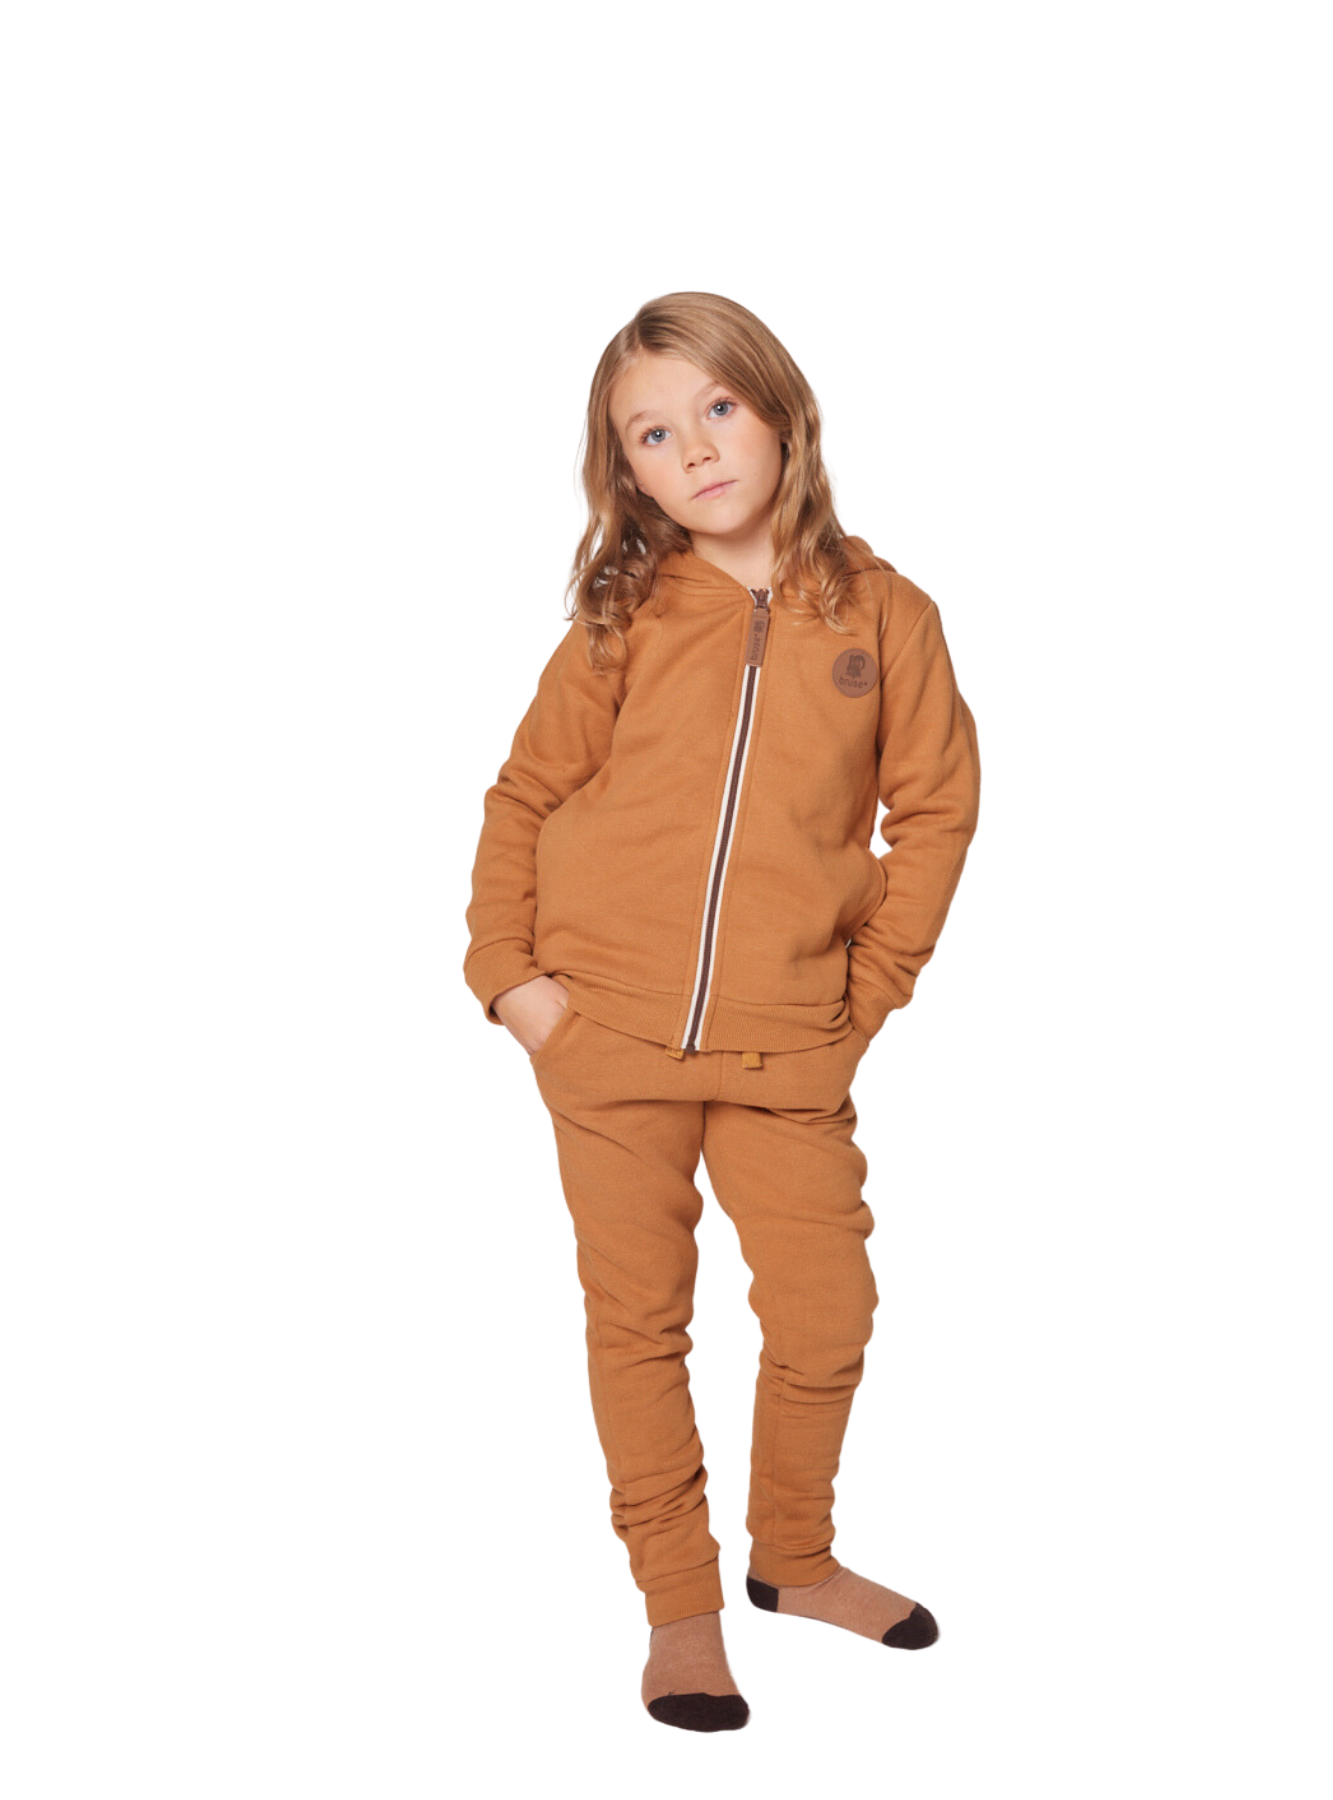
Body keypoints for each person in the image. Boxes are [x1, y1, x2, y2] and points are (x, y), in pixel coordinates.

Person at [461, 291, 982, 1732]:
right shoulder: (623, 618)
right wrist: (511, 982)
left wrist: (862, 997)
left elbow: (937, 814)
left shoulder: (888, 616)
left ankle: (794, 1560)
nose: (693, 449)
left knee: (827, 1310)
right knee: (640, 1325)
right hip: (602, 1037)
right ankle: (680, 1610)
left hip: (786, 1044)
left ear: (781, 408)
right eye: (652, 433)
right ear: (625, 471)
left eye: (717, 408)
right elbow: (526, 793)